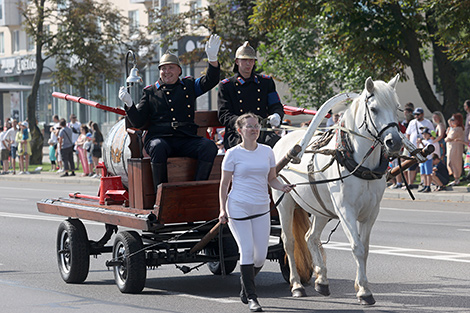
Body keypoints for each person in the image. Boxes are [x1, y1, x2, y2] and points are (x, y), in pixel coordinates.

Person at [119, 34, 221, 192]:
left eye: (170, 68)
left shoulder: (188, 85)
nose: (166, 71)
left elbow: (210, 81)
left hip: (185, 138)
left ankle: (196, 189)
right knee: (158, 147)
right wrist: (129, 104)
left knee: (208, 146)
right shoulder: (150, 92)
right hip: (160, 139)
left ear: (179, 70)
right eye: (163, 68)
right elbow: (138, 122)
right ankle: (161, 193)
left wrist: (212, 60)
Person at [218, 113, 293, 312]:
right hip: (239, 207)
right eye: (249, 126)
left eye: (257, 126)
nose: (254, 129)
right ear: (240, 130)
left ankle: (245, 286)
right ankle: (252, 297)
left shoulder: (267, 151)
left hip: (261, 207)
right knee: (247, 251)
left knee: (260, 257)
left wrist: (283, 186)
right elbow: (224, 184)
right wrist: (222, 209)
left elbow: (272, 178)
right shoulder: (232, 154)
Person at [218, 41, 284, 150]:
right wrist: (244, 123)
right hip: (238, 132)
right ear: (237, 62)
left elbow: (275, 104)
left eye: (251, 60)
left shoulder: (265, 82)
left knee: (279, 146)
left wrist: (276, 115)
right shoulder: (227, 86)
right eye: (244, 60)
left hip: (262, 131)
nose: (248, 63)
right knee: (246, 147)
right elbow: (224, 114)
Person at [405, 107, 434, 187]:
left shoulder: (427, 122)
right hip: (413, 147)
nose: (416, 116)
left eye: (418, 114)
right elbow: (408, 133)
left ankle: (425, 183)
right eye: (415, 114)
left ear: (422, 114)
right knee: (411, 165)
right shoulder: (412, 122)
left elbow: (432, 133)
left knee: (423, 165)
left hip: (423, 147)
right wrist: (408, 144)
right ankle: (410, 183)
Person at [445, 113, 465, 185]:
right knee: (450, 162)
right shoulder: (453, 128)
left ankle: (457, 178)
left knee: (454, 162)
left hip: (455, 148)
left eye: (454, 119)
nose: (452, 121)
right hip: (451, 148)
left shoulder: (458, 129)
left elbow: (449, 138)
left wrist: (447, 137)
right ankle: (455, 177)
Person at [416, 128, 436, 192]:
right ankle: (425, 185)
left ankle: (428, 186)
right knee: (423, 173)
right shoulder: (423, 141)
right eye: (423, 134)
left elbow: (426, 149)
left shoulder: (430, 141)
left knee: (428, 173)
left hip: (428, 159)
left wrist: (421, 143)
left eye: (426, 134)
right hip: (422, 159)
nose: (424, 135)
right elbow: (419, 149)